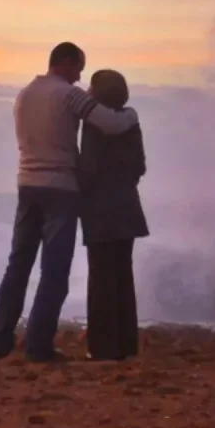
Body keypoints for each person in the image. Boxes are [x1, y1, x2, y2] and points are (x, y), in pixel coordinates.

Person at [0, 42, 140, 362]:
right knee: (54, 271)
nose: (79, 78)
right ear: (67, 63)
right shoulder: (68, 95)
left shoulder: (24, 94)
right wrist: (132, 116)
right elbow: (110, 124)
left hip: (27, 184)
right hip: (60, 188)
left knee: (18, 265)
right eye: (78, 69)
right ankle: (38, 344)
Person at [78, 69, 149, 361]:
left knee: (101, 278)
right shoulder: (132, 122)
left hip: (100, 208)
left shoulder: (94, 126)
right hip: (127, 206)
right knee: (122, 275)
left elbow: (89, 168)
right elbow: (140, 166)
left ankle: (102, 347)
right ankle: (126, 344)